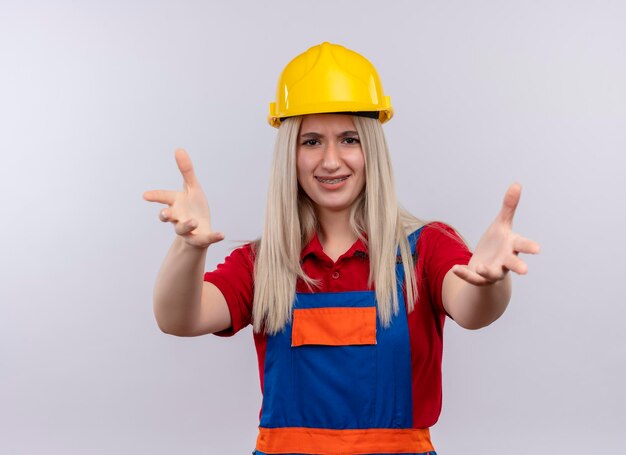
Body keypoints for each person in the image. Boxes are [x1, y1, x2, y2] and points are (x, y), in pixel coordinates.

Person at [143, 42, 540, 455]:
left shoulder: (425, 248)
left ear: (372, 149)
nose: (331, 161)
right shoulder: (264, 265)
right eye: (311, 141)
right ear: (290, 155)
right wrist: (187, 247)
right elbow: (178, 318)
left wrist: (493, 280)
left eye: (349, 139)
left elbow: (474, 309)